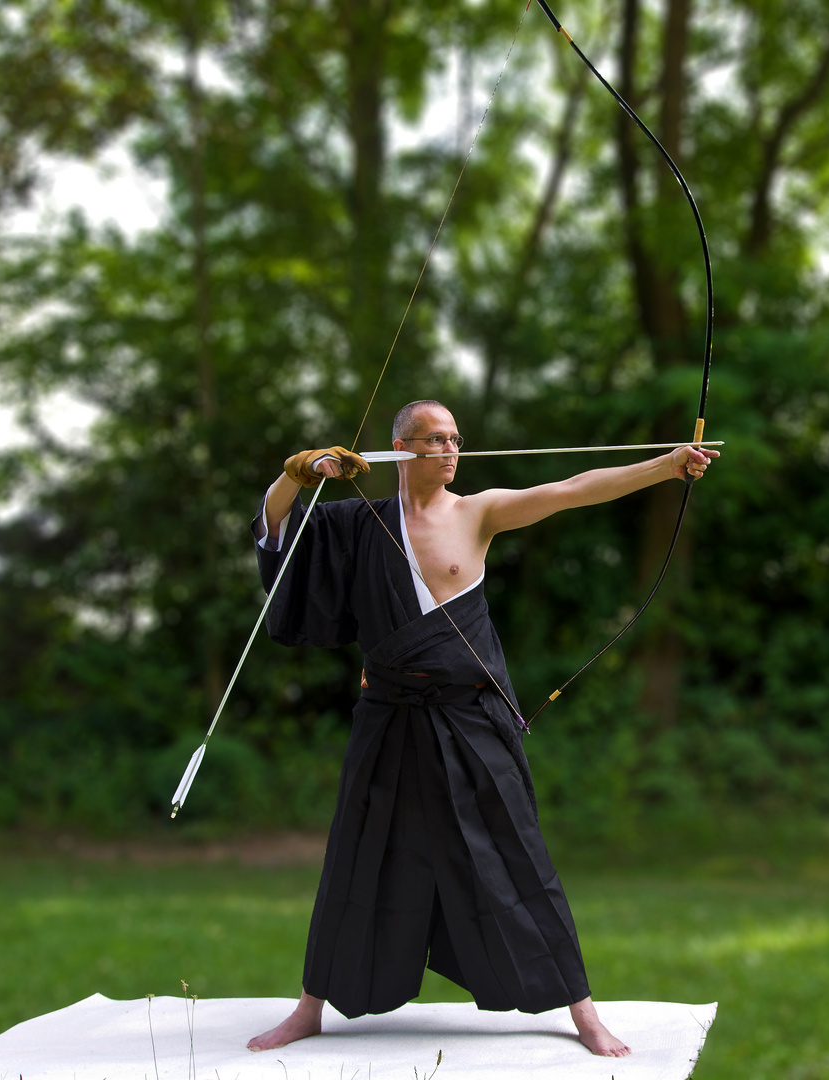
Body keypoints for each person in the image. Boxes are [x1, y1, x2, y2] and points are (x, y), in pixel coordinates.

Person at [245, 400, 718, 1059]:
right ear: (398, 447)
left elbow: (572, 489)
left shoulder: (478, 512)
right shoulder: (356, 523)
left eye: (455, 439)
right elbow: (276, 529)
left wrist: (665, 467)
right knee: (357, 851)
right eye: (433, 439)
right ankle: (309, 1009)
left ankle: (581, 1011)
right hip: (388, 716)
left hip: (472, 718)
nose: (448, 450)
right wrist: (299, 474)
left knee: (517, 849)